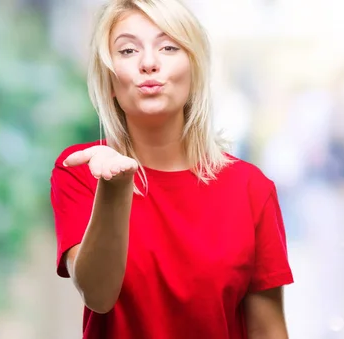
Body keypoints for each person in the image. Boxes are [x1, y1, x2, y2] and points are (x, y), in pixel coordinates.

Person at [49, 1, 294, 338]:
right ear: (109, 80)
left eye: (168, 47)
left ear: (194, 70)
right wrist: (115, 187)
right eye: (128, 50)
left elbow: (267, 331)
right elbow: (98, 295)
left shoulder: (251, 188)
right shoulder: (81, 170)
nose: (149, 63)